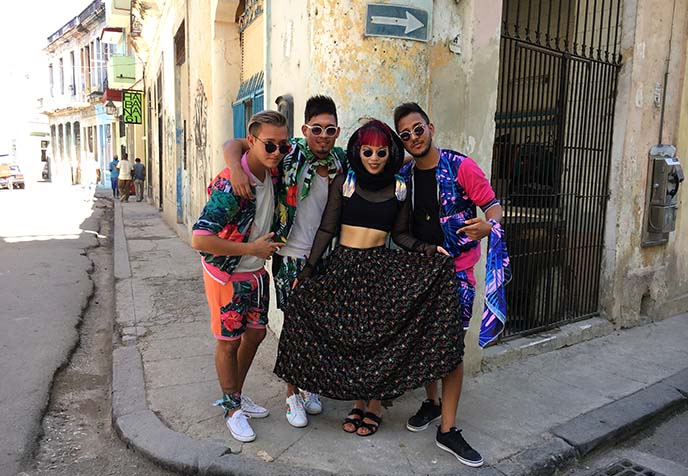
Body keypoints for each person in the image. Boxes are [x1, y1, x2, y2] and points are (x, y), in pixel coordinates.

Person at [274, 119, 464, 438]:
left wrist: (430, 249)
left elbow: (401, 235)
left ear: (389, 153)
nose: (374, 158)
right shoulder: (345, 182)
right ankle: (356, 402)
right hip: (343, 267)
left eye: (380, 151)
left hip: (379, 270)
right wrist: (307, 272)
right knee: (348, 336)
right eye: (367, 151)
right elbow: (327, 229)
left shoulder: (400, 188)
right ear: (357, 152)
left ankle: (373, 405)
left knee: (376, 340)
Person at [225, 95, 347, 428]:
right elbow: (235, 144)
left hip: (324, 258)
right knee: (294, 328)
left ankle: (308, 386)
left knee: (318, 328)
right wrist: (236, 167)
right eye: (317, 129)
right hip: (290, 256)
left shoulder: (341, 162)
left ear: (337, 132)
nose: (323, 135)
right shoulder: (288, 152)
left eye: (330, 130)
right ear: (306, 129)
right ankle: (292, 393)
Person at [393, 102, 504, 467]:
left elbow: (493, 207)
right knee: (425, 343)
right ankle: (432, 402)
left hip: (456, 272)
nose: (413, 137)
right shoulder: (404, 174)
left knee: (451, 348)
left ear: (431, 127)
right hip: (419, 269)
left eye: (417, 129)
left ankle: (448, 430)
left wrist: (489, 227)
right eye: (405, 134)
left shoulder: (460, 167)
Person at [191, 110, 290, 443]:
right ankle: (231, 407)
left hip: (255, 273)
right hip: (227, 275)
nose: (277, 152)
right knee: (228, 342)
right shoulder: (232, 185)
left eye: (283, 146)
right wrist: (251, 248)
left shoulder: (273, 173)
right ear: (253, 141)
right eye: (270, 145)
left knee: (257, 334)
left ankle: (237, 394)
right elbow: (199, 239)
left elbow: (232, 143)